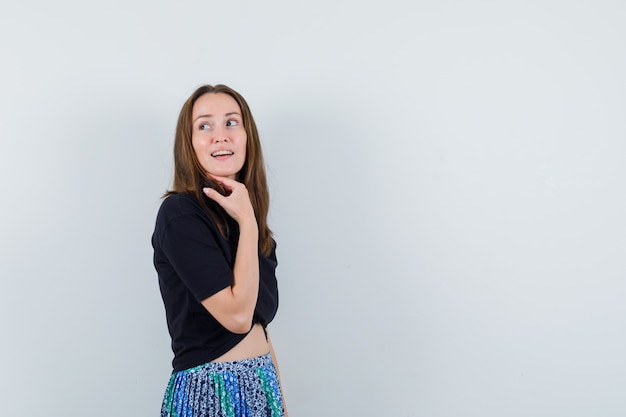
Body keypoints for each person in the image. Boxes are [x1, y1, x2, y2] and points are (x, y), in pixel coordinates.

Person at [152, 84, 287, 417]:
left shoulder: (248, 224)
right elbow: (238, 317)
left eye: (231, 122)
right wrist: (249, 222)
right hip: (208, 393)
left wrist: (280, 405)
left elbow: (260, 330)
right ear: (190, 144)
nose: (220, 135)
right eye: (204, 125)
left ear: (246, 136)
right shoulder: (181, 214)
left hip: (261, 387)